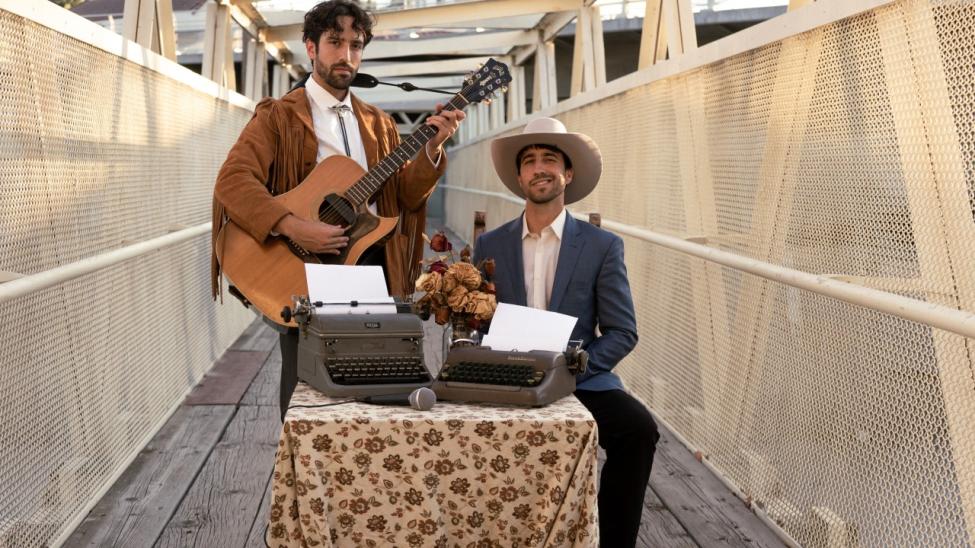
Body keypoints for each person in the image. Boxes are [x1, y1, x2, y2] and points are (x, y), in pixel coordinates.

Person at [210, 0, 464, 419]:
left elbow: (405, 197)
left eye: (355, 44)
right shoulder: (280, 117)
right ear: (311, 47)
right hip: (304, 266)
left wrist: (431, 149)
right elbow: (233, 182)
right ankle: (303, 476)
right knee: (305, 385)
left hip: (369, 265)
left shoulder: (378, 123)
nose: (346, 55)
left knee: (379, 382)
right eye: (334, 42)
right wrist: (291, 225)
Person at [472, 117, 659, 547]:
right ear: (519, 177)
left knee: (638, 430)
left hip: (580, 378)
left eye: (550, 160)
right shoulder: (491, 246)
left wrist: (573, 370)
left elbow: (622, 331)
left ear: (567, 174)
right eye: (531, 161)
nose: (540, 168)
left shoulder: (601, 245)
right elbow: (480, 324)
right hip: (508, 374)